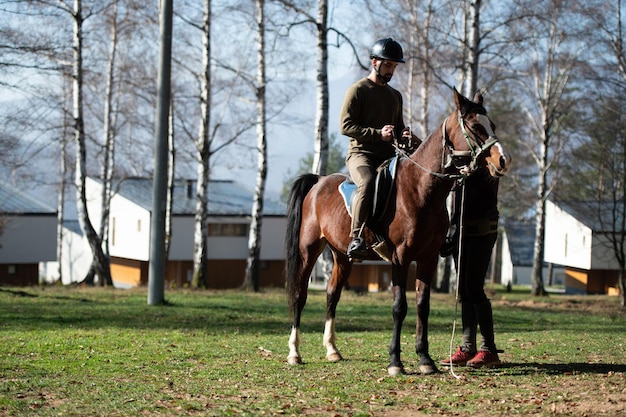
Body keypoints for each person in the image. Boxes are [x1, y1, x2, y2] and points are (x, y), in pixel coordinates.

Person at [340, 37, 417, 260]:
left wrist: (404, 135)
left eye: (394, 66)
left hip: (388, 157)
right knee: (368, 182)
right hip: (361, 155)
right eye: (388, 65)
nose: (392, 70)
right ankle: (356, 238)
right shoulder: (357, 90)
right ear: (375, 62)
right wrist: (377, 134)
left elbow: (397, 129)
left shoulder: (395, 96)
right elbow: (346, 126)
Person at [439, 168, 502, 368]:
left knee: (473, 288)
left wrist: (471, 172)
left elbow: (497, 170)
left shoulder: (490, 158)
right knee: (464, 290)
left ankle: (489, 350)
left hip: (483, 230)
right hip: (461, 232)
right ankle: (468, 348)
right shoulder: (460, 163)